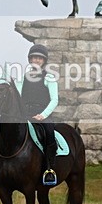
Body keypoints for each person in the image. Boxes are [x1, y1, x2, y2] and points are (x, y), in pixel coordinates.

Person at [16, 44, 59, 186]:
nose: (36, 60)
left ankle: (49, 169)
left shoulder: (49, 77)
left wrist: (43, 115)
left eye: (39, 58)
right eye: (34, 57)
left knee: (49, 133)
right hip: (25, 114)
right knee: (2, 134)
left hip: (42, 114)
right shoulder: (23, 77)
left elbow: (54, 100)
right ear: (30, 59)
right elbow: (18, 95)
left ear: (44, 60)